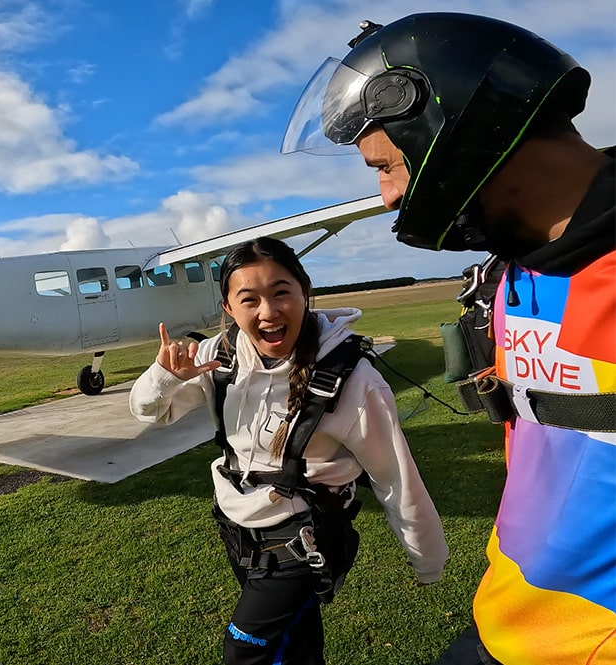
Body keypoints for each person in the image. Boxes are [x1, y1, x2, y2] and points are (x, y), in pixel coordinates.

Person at [283, 12, 615, 665]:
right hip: (508, 617)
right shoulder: (510, 273)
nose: (383, 197)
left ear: (454, 136)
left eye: (385, 166)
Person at [130, 237, 448, 665]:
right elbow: (150, 412)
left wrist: (427, 559)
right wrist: (164, 376)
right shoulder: (219, 357)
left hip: (302, 543)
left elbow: (394, 477)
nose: (268, 312)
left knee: (245, 652)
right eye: (249, 299)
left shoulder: (355, 382)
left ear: (304, 292)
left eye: (281, 292)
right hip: (238, 531)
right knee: (296, 646)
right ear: (228, 308)